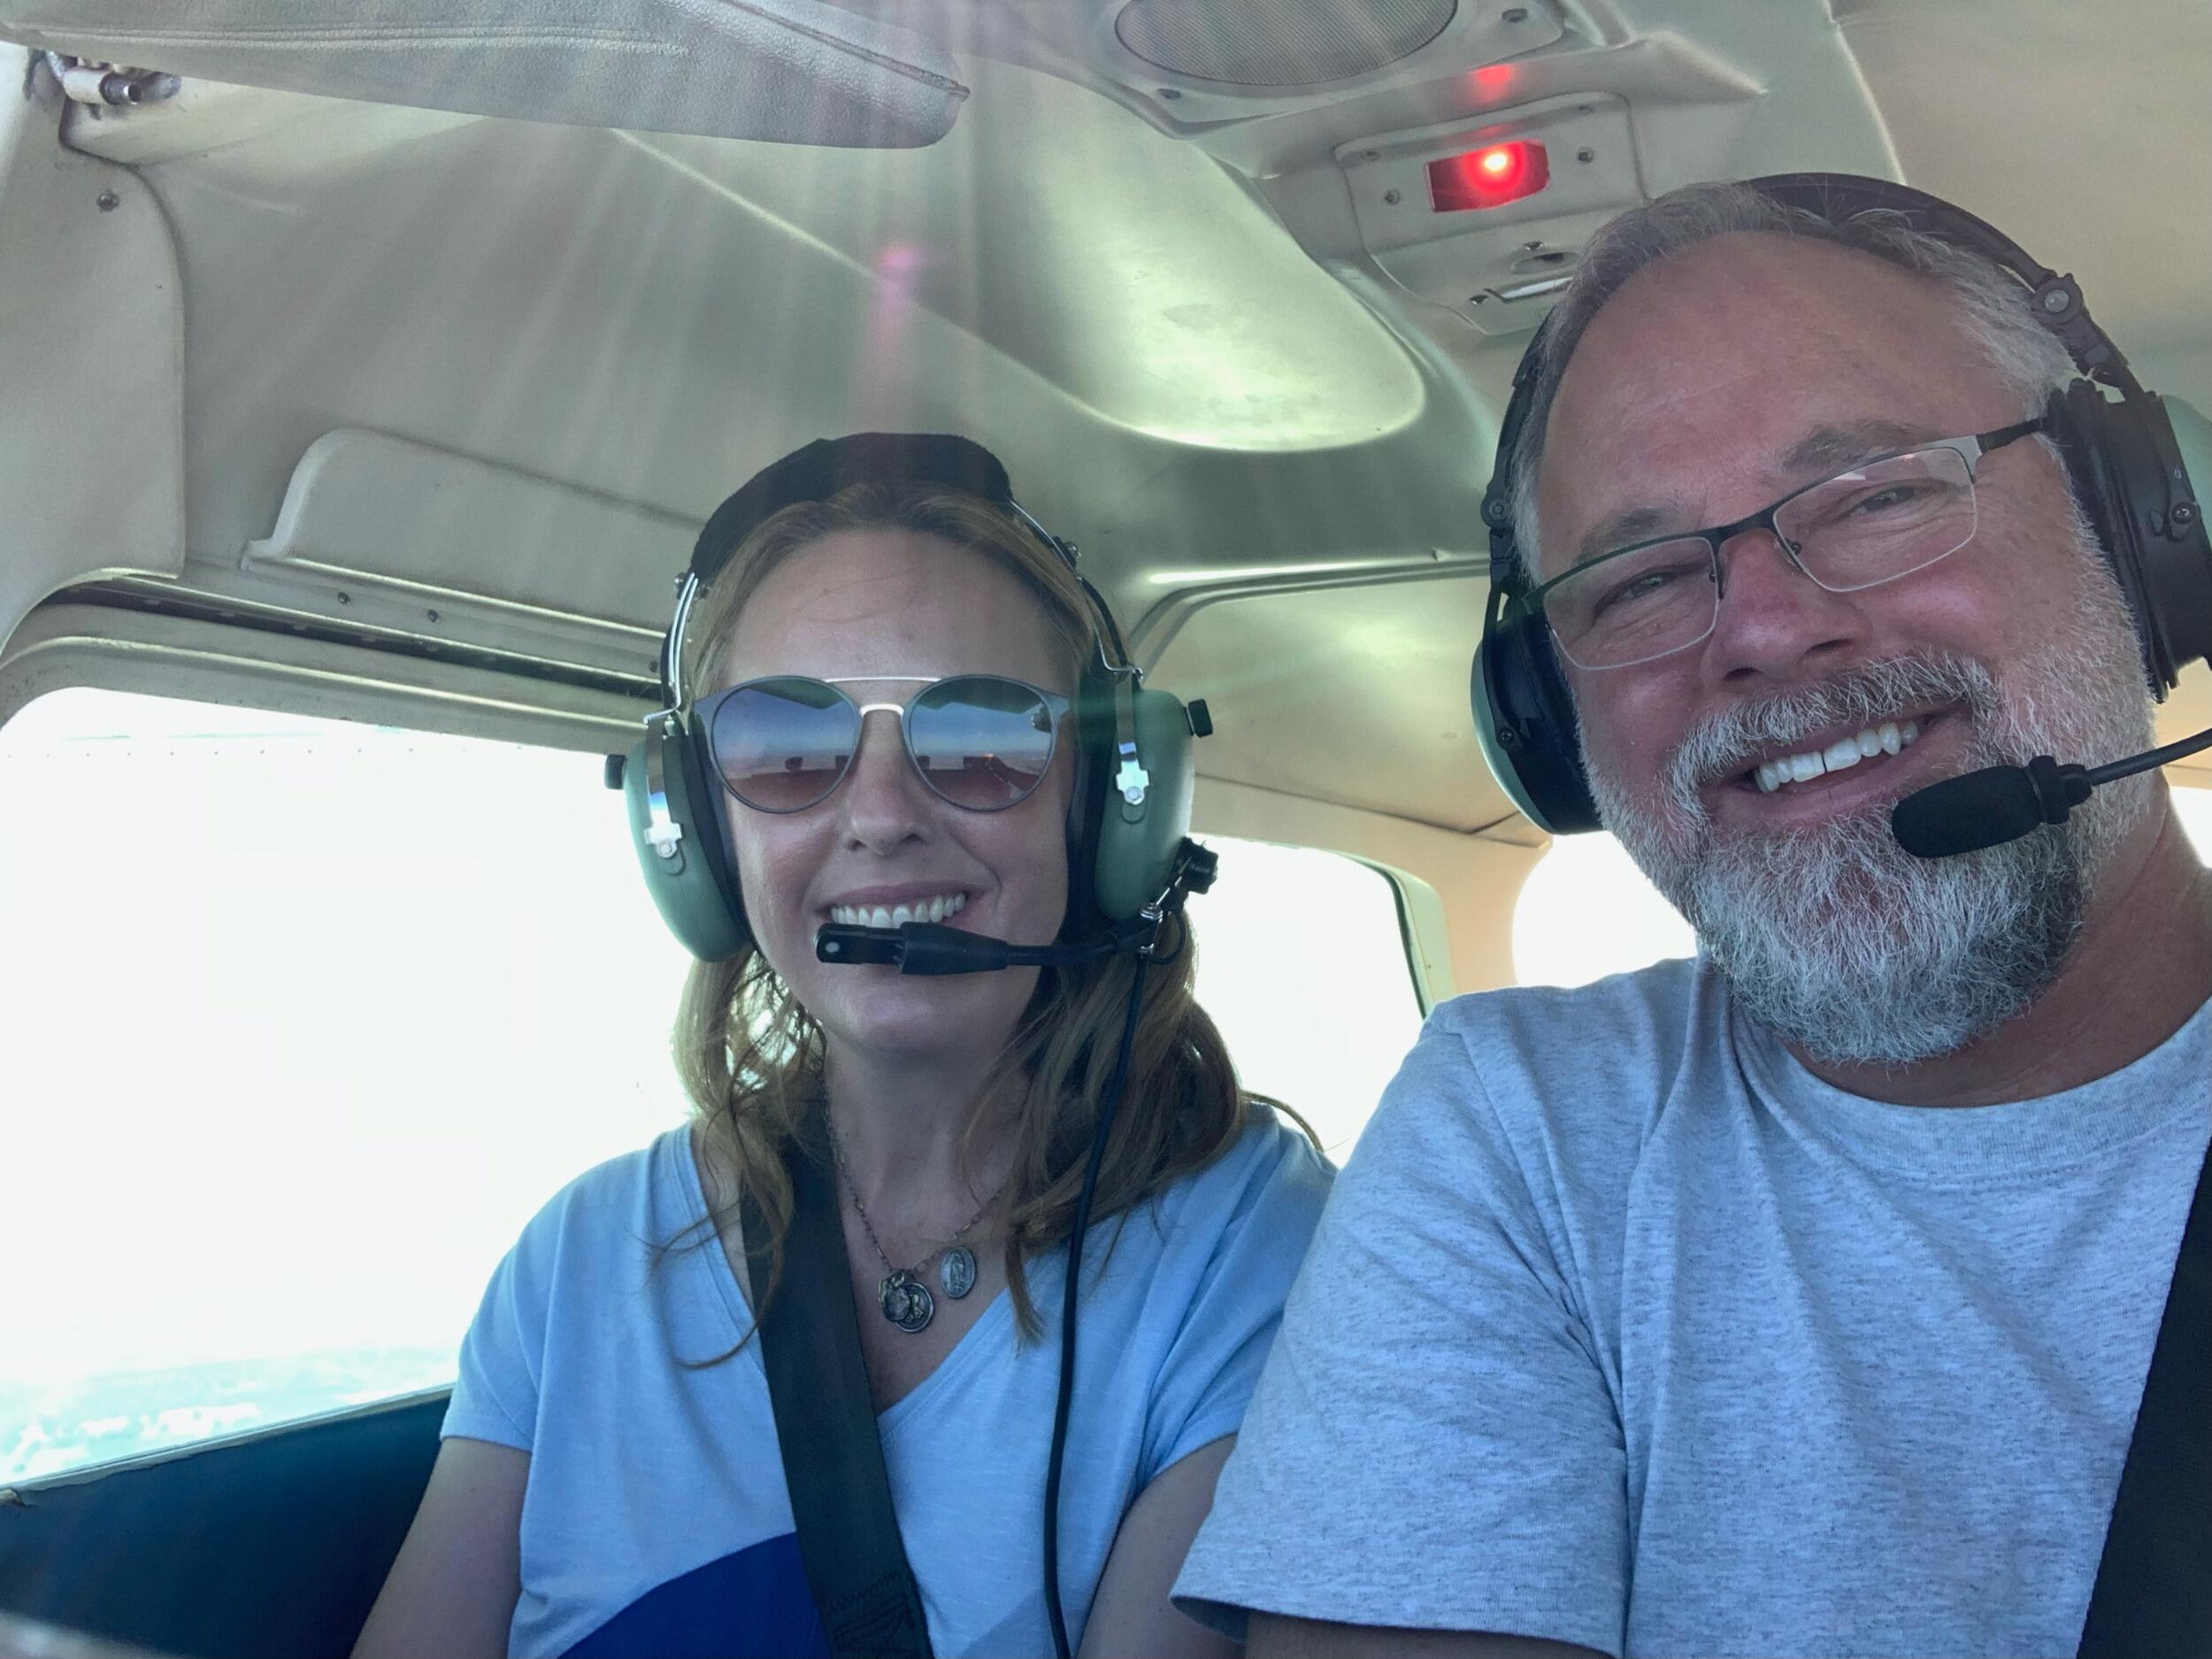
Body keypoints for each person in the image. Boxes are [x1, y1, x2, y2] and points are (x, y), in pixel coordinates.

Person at [1174, 179, 2212, 1657]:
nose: (1771, 629)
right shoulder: (1528, 1128)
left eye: (1880, 494)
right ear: (1551, 723)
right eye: (1641, 579)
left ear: (2143, 526)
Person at [354, 434, 1332, 1658]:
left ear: (1107, 808)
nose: (880, 815)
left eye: (983, 740)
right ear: (697, 829)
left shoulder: (1253, 1254)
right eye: (784, 750)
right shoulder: (576, 1268)